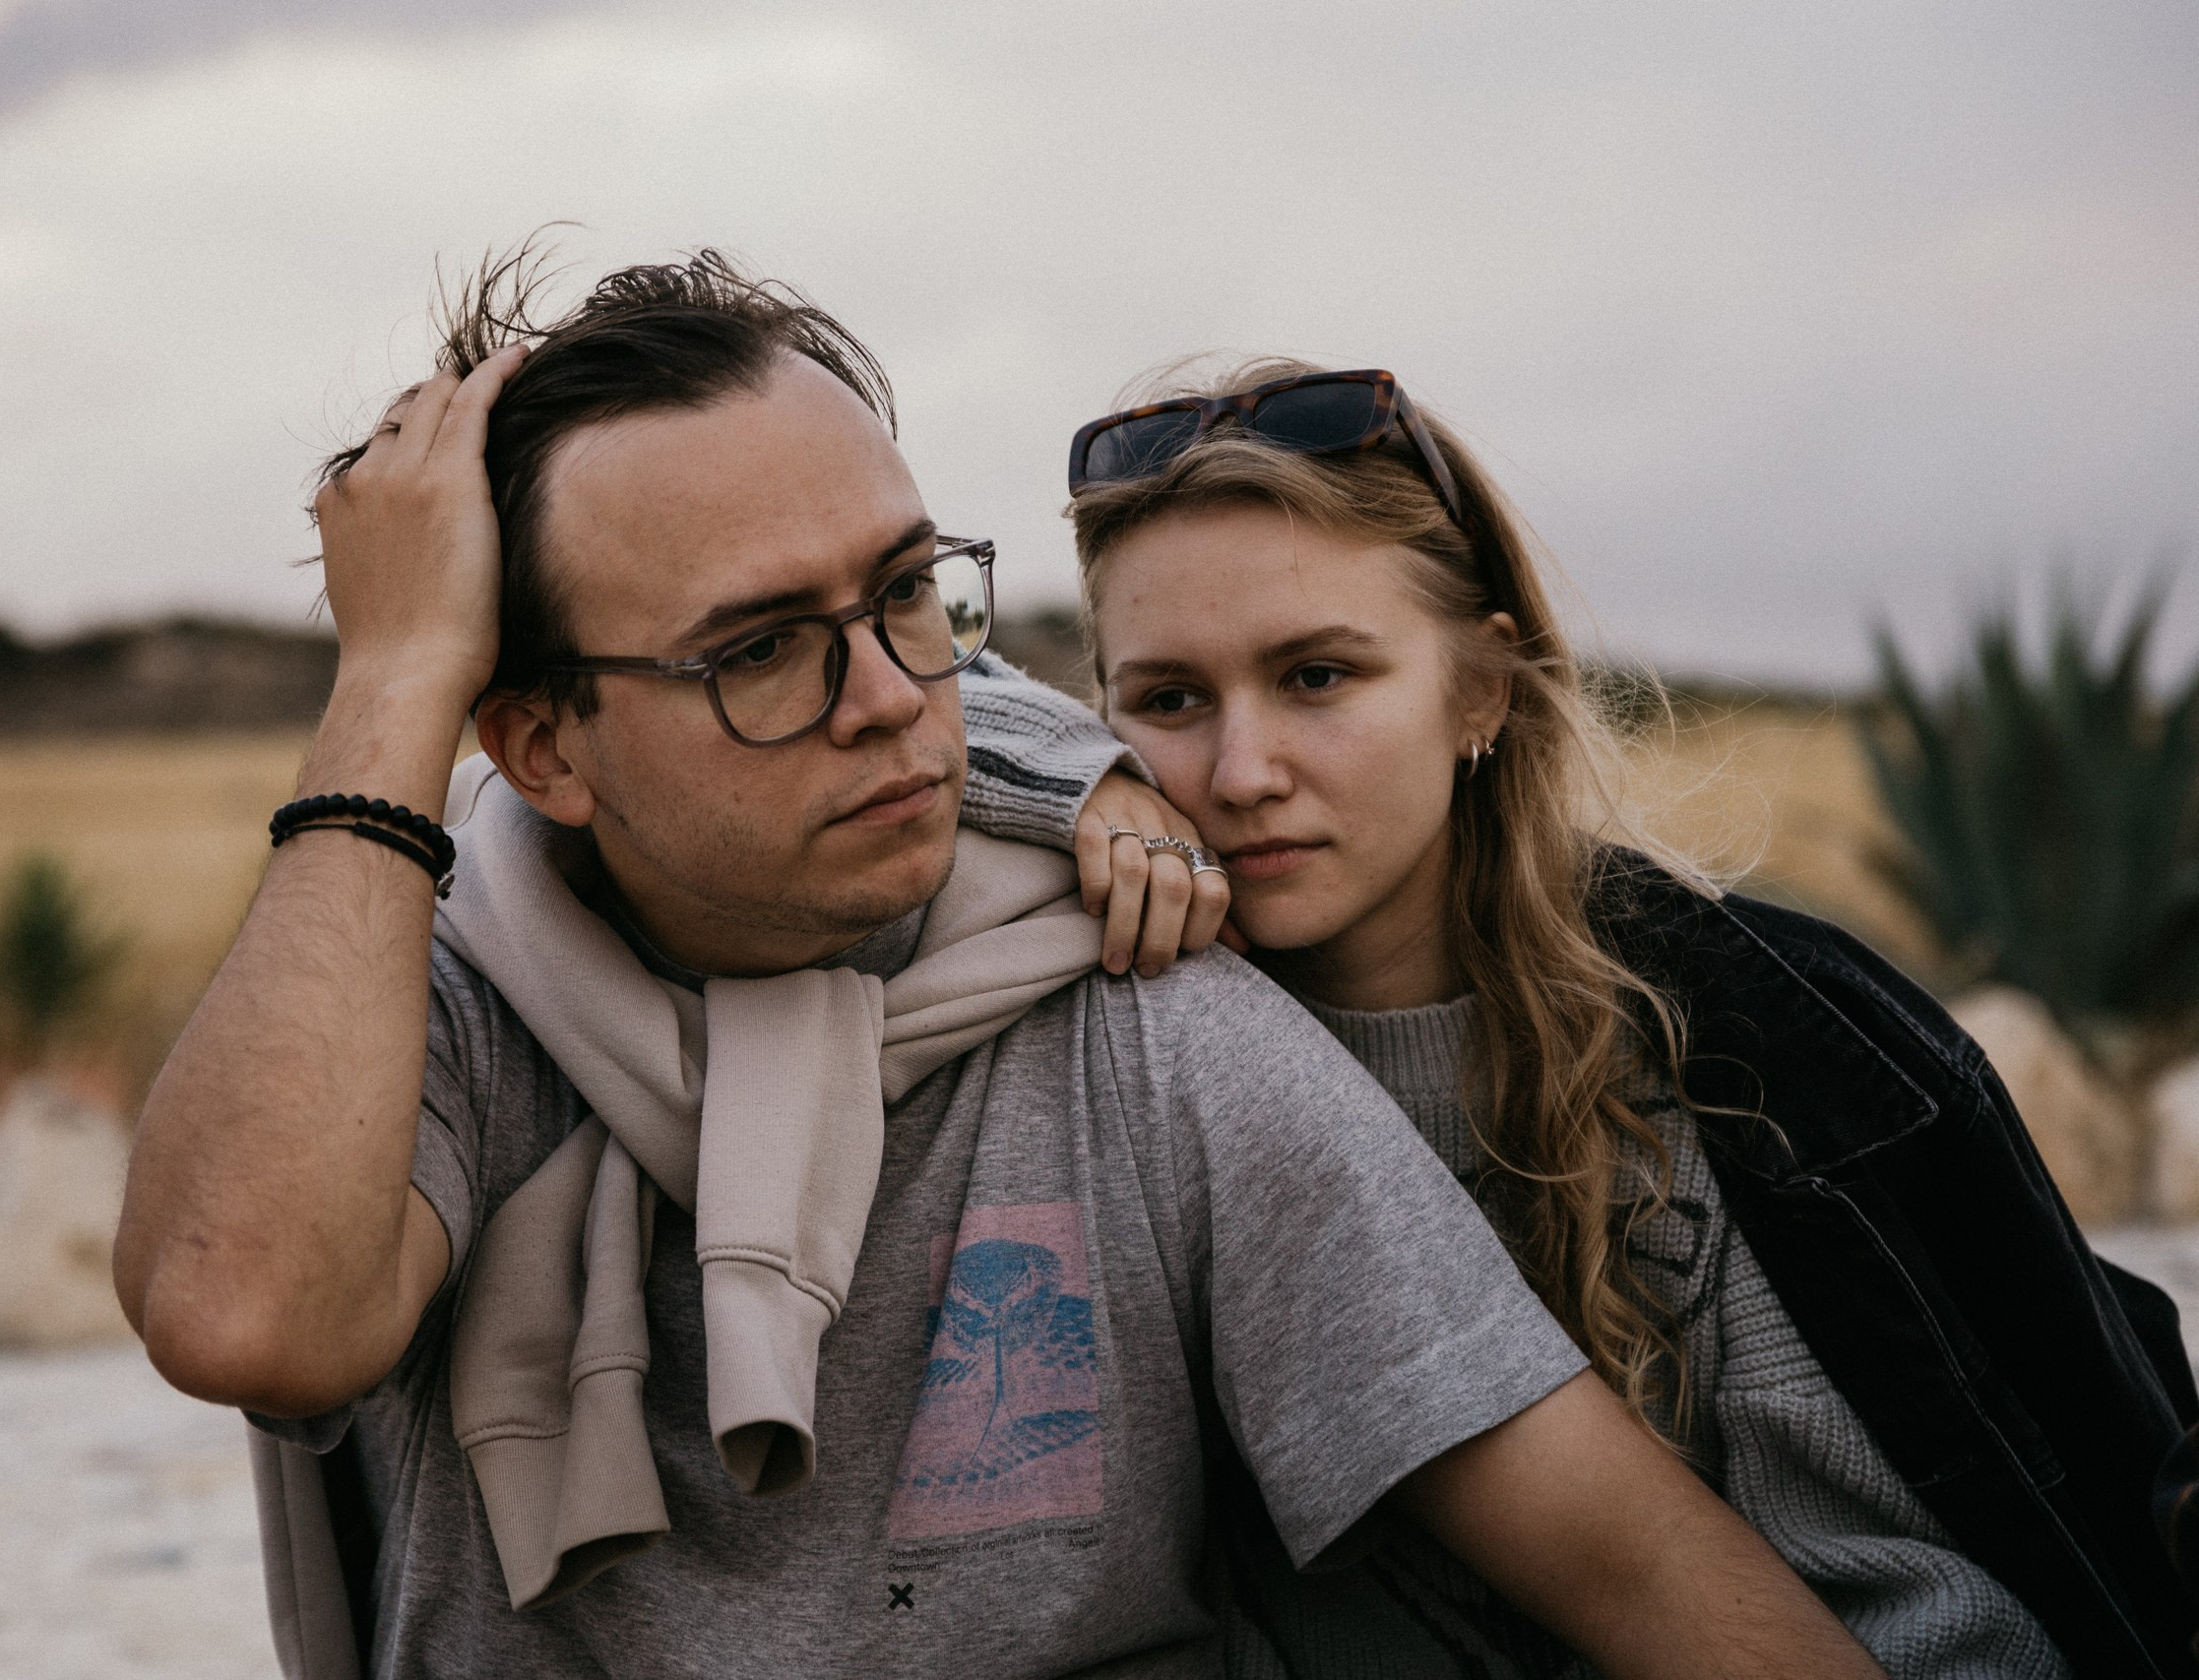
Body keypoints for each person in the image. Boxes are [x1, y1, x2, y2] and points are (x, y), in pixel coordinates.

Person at [112, 253, 1888, 1680]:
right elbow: (248, 1313)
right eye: (760, 651)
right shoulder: (441, 1015)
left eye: (907, 593)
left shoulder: (1148, 1024)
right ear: (542, 746)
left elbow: (1647, 1575)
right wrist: (391, 681)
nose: (892, 698)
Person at [979, 357, 2199, 1678]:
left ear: (1482, 690)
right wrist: (1061, 781)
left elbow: (1948, 1612)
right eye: (1168, 702)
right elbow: (874, 696)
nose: (1241, 771)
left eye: (1318, 676)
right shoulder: (1103, 1035)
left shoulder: (1737, 1049)